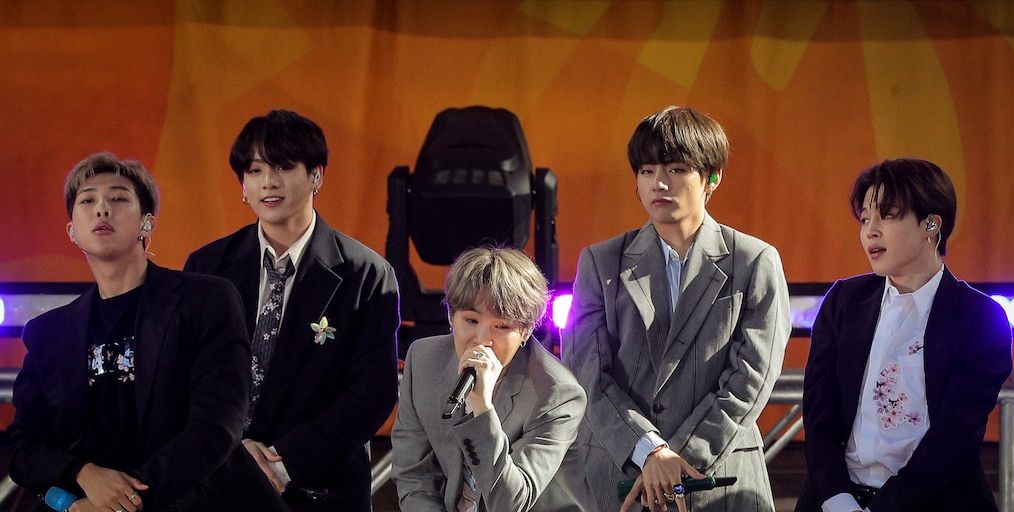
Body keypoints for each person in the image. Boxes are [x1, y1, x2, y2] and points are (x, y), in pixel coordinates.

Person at [4, 153, 285, 511]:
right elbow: (21, 447)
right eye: (88, 200)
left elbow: (216, 428)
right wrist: (81, 476)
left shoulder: (206, 300)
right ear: (72, 231)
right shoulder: (49, 332)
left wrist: (125, 503)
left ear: (146, 223)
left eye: (119, 198)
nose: (102, 208)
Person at [562, 106, 791, 511]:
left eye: (677, 169)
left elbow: (752, 378)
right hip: (622, 477)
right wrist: (649, 450)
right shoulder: (601, 262)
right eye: (647, 171)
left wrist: (676, 460)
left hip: (719, 479)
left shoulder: (754, 261)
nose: (659, 183)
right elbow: (588, 374)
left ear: (712, 178)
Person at [184, 109, 400, 511]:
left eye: (283, 167)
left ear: (316, 175)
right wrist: (234, 454)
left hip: (319, 489)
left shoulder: (366, 274)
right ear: (243, 184)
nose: (268, 182)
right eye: (255, 170)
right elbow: (188, 379)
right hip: (217, 482)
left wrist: (283, 462)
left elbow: (372, 393)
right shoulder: (207, 266)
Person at [795, 159, 1012, 512]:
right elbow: (819, 413)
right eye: (865, 219)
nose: (871, 231)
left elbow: (955, 436)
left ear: (931, 224)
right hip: (836, 501)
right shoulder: (844, 301)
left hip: (932, 502)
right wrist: (838, 499)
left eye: (887, 216)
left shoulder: (979, 317)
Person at [391, 247, 592, 511]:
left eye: (502, 326)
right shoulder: (424, 360)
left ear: (526, 331)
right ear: (451, 316)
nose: (482, 339)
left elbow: (510, 503)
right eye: (471, 320)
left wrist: (482, 408)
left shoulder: (557, 393)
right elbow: (414, 476)